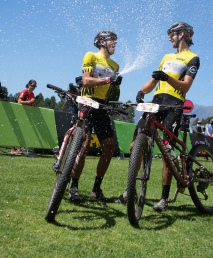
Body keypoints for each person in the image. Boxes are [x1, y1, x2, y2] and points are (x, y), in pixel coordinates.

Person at [131, 22, 199, 212]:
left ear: (183, 34)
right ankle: (130, 190)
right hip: (156, 103)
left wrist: (167, 78)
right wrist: (141, 91)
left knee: (167, 151)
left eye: (173, 33)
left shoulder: (193, 58)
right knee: (135, 143)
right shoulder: (167, 57)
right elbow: (153, 81)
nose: (169, 37)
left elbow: (185, 86)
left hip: (174, 105)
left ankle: (163, 198)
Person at [67, 30, 122, 203]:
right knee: (83, 144)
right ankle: (73, 186)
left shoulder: (115, 65)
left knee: (109, 147)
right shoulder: (90, 55)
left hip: (102, 106)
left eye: (116, 40)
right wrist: (107, 81)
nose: (115, 43)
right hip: (87, 101)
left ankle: (96, 189)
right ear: (101, 42)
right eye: (112, 40)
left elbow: (112, 93)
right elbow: (86, 81)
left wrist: (116, 88)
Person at [14, 79, 38, 155]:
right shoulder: (24, 92)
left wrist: (35, 102)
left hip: (26, 115)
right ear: (28, 85)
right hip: (19, 113)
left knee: (23, 132)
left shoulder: (32, 94)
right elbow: (19, 101)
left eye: (35, 86)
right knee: (18, 131)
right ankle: (17, 149)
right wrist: (29, 102)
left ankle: (19, 148)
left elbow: (32, 105)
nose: (33, 87)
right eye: (32, 86)